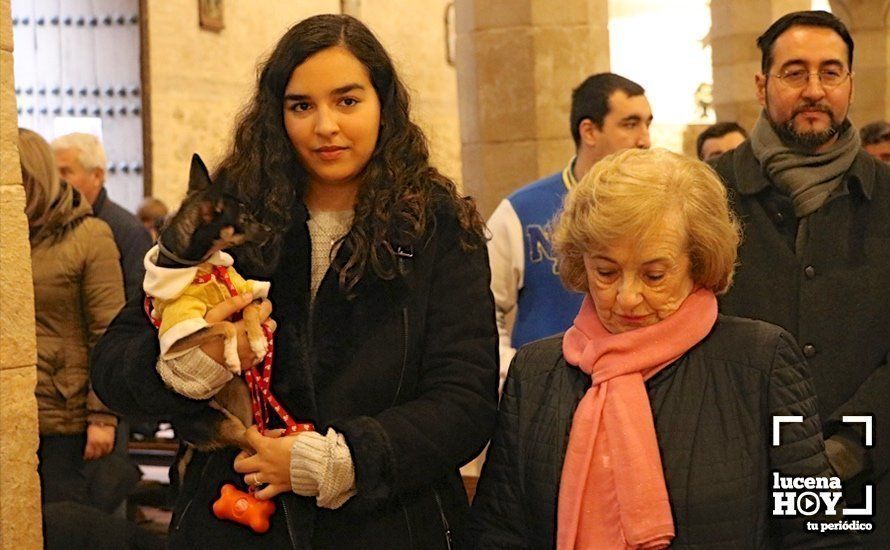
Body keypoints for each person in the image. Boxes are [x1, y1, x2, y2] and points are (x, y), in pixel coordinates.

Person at [91, 14, 498, 549]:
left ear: (384, 105)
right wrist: (186, 361)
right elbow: (114, 366)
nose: (325, 125)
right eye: (301, 105)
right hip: (234, 520)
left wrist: (341, 459)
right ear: (276, 114)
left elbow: (465, 399)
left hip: (387, 523)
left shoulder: (437, 225)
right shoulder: (230, 214)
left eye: (347, 101)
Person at [468, 148, 853, 548]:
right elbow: (498, 530)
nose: (627, 296)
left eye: (654, 275)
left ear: (699, 262)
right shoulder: (535, 372)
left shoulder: (762, 363)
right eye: (606, 272)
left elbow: (818, 532)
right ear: (580, 262)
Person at [712, 11, 890, 546]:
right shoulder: (707, 195)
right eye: (795, 72)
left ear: (850, 84)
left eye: (830, 72)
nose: (814, 89)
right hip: (735, 482)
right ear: (763, 84)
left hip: (868, 482)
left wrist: (845, 450)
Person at [19, 128, 150, 547]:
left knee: (69, 526)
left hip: (70, 413)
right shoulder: (16, 236)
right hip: (23, 411)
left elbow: (108, 330)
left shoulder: (92, 235)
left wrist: (102, 416)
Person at [487, 73, 652, 388]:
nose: (645, 139)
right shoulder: (521, 211)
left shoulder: (661, 209)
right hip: (551, 389)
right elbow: (480, 309)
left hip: (643, 385)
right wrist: (516, 372)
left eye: (647, 124)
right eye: (630, 124)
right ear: (589, 131)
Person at [52, 132, 153, 301]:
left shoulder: (129, 231)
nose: (57, 181)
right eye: (53, 173)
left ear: (97, 176)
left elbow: (136, 303)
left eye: (65, 172)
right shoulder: (52, 225)